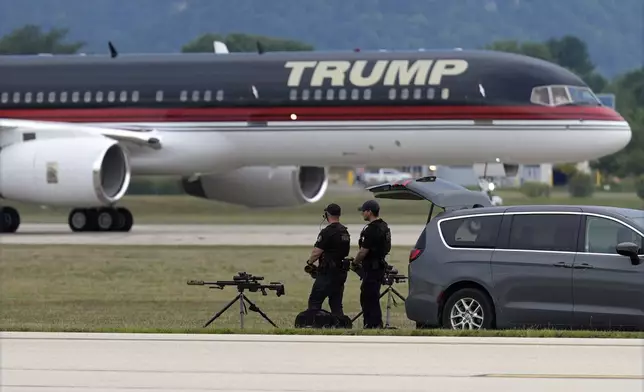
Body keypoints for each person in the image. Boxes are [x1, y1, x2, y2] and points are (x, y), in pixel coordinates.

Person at [305, 203, 351, 317]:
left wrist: (309, 263)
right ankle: (340, 325)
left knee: (315, 301)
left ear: (327, 215)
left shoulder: (327, 232)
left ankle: (313, 324)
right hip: (340, 272)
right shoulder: (344, 231)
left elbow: (317, 252)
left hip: (327, 273)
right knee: (336, 303)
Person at [352, 199, 391, 328]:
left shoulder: (371, 229)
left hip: (371, 268)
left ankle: (372, 324)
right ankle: (375, 323)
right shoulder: (384, 226)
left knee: (368, 297)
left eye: (364, 211)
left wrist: (355, 262)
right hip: (380, 266)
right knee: (373, 295)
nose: (362, 214)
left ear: (369, 212)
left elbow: (363, 251)